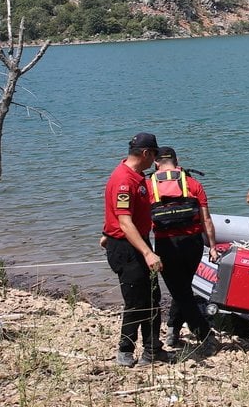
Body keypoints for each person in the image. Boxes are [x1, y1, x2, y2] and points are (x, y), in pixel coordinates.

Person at [101, 132, 167, 367]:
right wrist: (148, 253)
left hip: (135, 241)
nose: (156, 161)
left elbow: (117, 214)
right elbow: (124, 222)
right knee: (136, 301)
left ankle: (152, 349)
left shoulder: (136, 176)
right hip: (127, 247)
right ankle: (125, 350)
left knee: (152, 297)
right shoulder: (124, 180)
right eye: (154, 155)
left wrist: (105, 231)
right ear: (146, 153)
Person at [149, 147, 219, 356]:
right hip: (193, 244)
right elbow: (206, 219)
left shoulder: (149, 185)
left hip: (166, 244)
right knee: (183, 289)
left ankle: (204, 335)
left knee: (180, 291)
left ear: (156, 164)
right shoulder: (193, 184)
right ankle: (173, 329)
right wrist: (213, 246)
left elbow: (142, 219)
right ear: (177, 161)